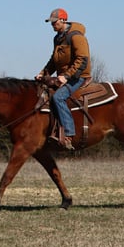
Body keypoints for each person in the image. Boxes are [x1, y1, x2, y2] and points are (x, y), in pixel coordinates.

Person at [35, 8, 92, 150]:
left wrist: (67, 76)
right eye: (51, 22)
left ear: (63, 20)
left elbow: (82, 60)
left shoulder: (76, 36)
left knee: (58, 97)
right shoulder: (57, 38)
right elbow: (54, 60)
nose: (52, 25)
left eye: (55, 22)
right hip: (64, 76)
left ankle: (68, 134)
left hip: (78, 77)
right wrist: (43, 73)